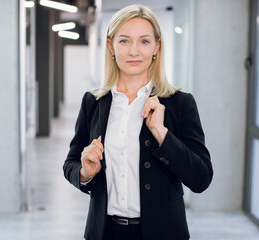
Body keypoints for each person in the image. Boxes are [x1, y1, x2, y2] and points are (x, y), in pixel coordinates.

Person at [63, 4, 213, 240]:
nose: (134, 51)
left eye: (144, 41)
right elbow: (71, 163)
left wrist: (162, 134)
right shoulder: (93, 102)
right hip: (104, 232)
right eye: (124, 41)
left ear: (156, 46)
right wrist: (85, 172)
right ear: (111, 46)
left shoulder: (180, 103)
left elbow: (201, 178)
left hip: (163, 233)